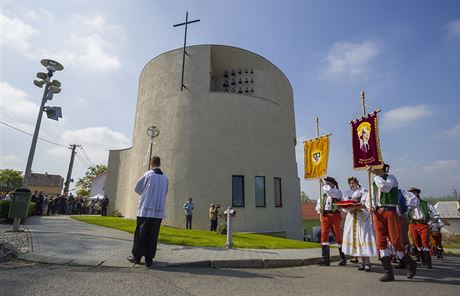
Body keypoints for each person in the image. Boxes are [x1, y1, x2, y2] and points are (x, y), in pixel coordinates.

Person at [369, 164, 417, 281]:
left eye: (375, 167)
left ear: (380, 167)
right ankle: (388, 272)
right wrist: (370, 206)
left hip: (390, 211)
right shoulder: (374, 182)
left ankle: (410, 263)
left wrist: (375, 176)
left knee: (396, 241)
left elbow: (385, 188)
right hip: (378, 213)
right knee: (381, 242)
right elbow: (370, 198)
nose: (372, 169)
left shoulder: (391, 178)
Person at [127, 156, 168, 267]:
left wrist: (146, 195)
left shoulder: (148, 175)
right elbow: (165, 192)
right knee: (153, 235)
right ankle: (149, 259)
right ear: (160, 164)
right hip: (158, 211)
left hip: (146, 210)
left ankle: (136, 257)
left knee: (141, 234)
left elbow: (137, 188)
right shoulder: (165, 178)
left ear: (151, 163)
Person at [341, 177, 377, 272]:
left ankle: (368, 262)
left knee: (363, 239)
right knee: (356, 241)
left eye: (353, 183)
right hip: (352, 218)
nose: (351, 185)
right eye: (350, 183)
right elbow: (345, 207)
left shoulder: (364, 191)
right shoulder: (347, 193)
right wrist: (349, 207)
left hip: (362, 218)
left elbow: (368, 203)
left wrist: (360, 205)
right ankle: (362, 263)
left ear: (357, 183)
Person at [315, 176, 346, 266]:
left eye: (328, 183)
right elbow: (318, 205)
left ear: (333, 184)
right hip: (325, 216)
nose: (327, 185)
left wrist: (322, 184)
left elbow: (330, 192)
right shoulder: (323, 195)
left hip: (335, 215)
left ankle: (343, 257)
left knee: (338, 236)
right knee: (324, 237)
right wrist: (319, 209)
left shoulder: (337, 192)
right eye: (326, 183)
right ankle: (325, 259)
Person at [407, 187, 439, 269]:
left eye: (414, 193)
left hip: (423, 224)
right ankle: (423, 260)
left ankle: (428, 262)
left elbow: (435, 214)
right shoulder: (407, 204)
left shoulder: (425, 204)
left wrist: (429, 222)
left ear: (418, 194)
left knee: (425, 242)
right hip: (412, 224)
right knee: (417, 244)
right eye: (411, 193)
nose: (413, 195)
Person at [394, 189, 419, 269]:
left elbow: (413, 203)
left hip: (401, 218)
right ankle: (402, 260)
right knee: (395, 240)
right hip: (392, 218)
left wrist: (406, 211)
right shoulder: (383, 192)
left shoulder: (401, 194)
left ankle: (407, 261)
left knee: (403, 240)